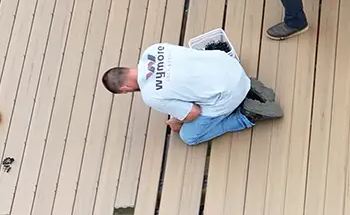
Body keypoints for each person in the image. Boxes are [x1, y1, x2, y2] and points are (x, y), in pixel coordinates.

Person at [102, 43, 282, 146]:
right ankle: (247, 85)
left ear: (125, 88)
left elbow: (193, 112)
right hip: (229, 65)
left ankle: (247, 116)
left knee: (189, 136)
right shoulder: (153, 50)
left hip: (228, 93)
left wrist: (176, 121)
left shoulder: (151, 95)